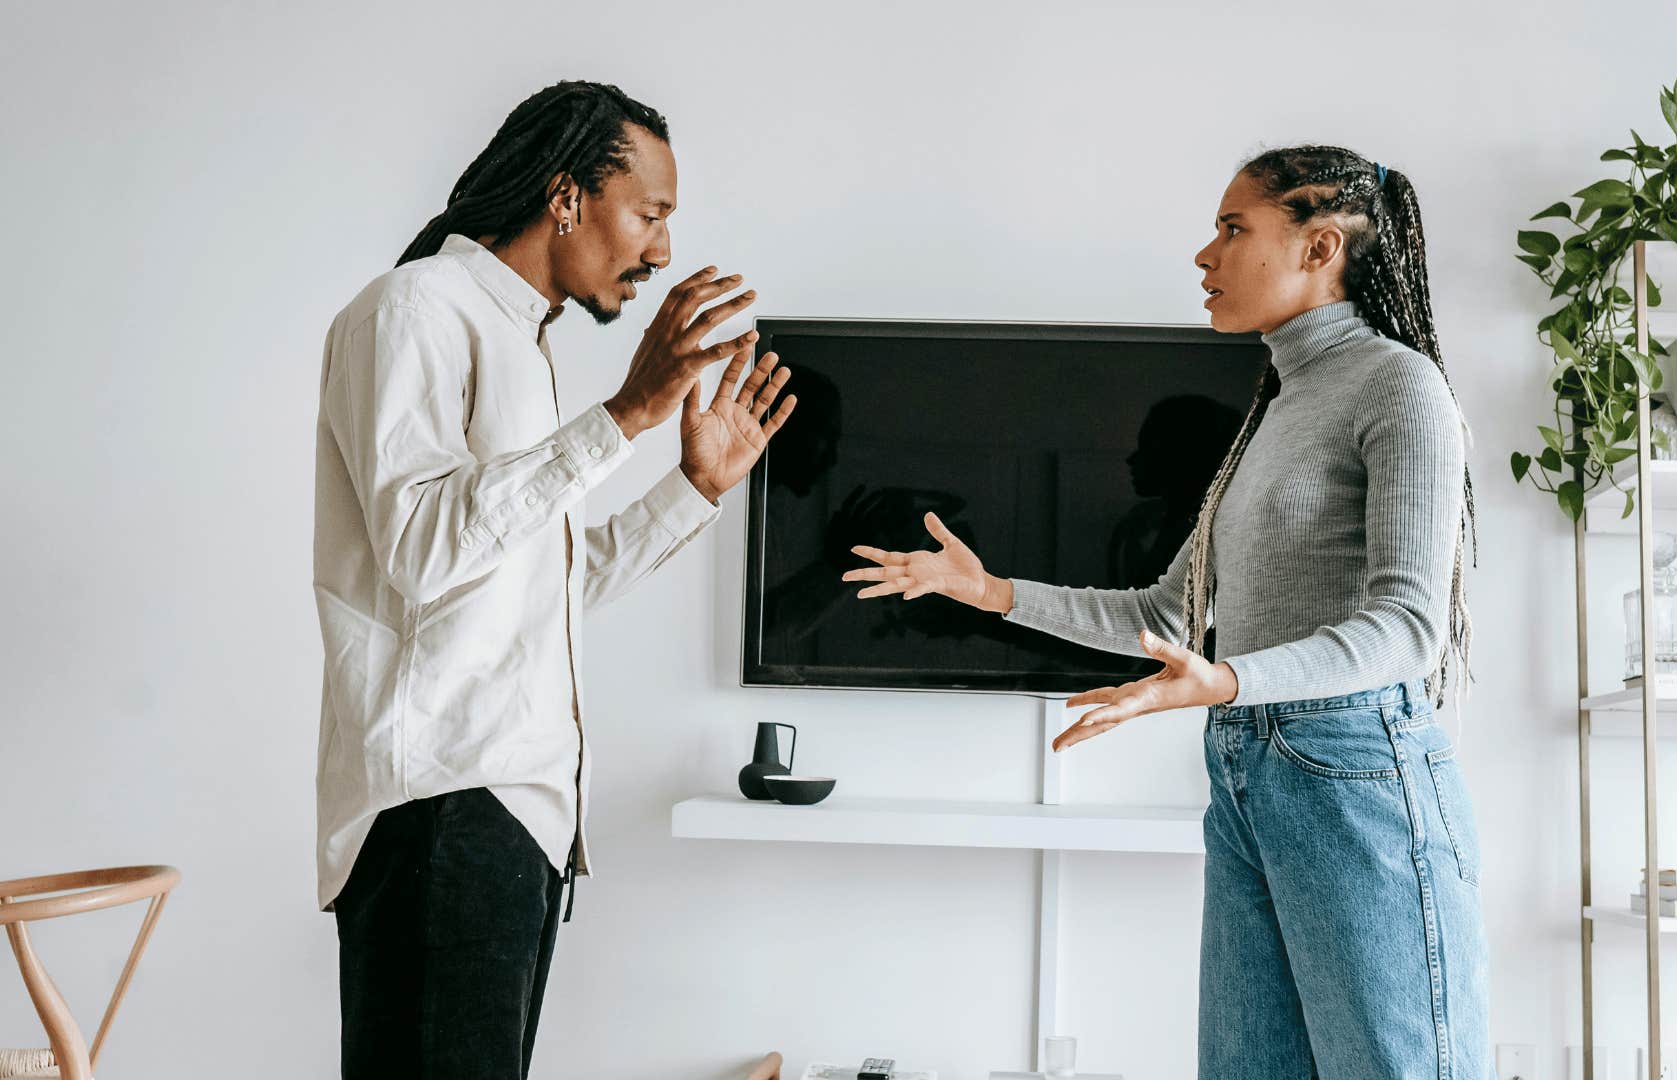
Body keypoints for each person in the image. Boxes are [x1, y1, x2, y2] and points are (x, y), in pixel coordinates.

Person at [843, 145, 1490, 1077]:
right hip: (1247, 774)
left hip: (1360, 778)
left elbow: (1408, 629)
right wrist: (987, 592)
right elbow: (1165, 612)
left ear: (1320, 247)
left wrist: (1230, 680)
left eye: (1233, 229)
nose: (1204, 254)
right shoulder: (1277, 405)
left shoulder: (1400, 388)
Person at [311, 79, 794, 1079]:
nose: (660, 253)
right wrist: (623, 416)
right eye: (650, 214)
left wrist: (694, 487)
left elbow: (546, 581)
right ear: (566, 196)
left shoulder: (525, 350)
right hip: (445, 810)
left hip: (516, 823)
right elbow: (420, 549)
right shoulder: (414, 312)